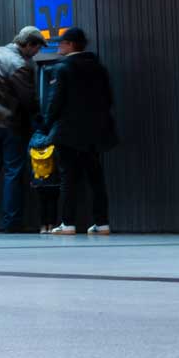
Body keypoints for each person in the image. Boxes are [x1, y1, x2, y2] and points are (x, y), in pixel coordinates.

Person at [44, 26, 117, 235]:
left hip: (68, 133)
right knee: (96, 177)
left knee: (68, 177)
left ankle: (68, 223)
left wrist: (47, 123)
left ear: (70, 44)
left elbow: (55, 101)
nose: (58, 46)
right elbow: (109, 99)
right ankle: (102, 223)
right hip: (95, 132)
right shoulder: (99, 68)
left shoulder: (63, 68)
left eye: (61, 42)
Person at [0, 26, 45, 234]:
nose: (37, 53)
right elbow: (28, 100)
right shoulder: (20, 65)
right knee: (13, 172)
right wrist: (41, 120)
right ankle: (11, 223)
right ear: (29, 44)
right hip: (12, 125)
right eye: (37, 48)